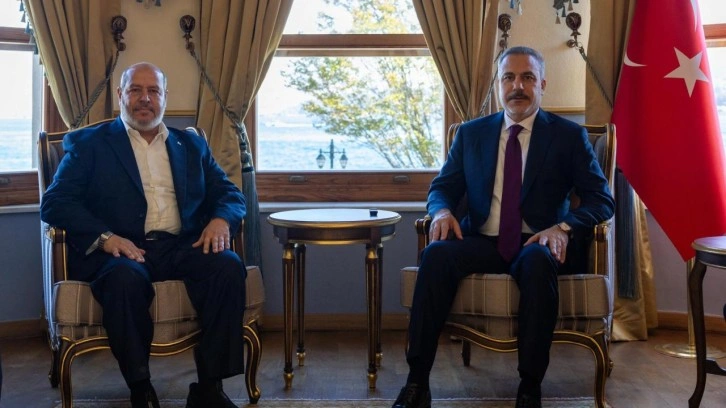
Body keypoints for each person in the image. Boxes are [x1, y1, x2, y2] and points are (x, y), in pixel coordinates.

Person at [392, 46, 615, 408]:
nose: (517, 86)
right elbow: (442, 187)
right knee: (435, 255)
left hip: (537, 242)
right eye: (509, 77)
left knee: (538, 263)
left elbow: (601, 199)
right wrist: (442, 211)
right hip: (482, 239)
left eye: (527, 77)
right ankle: (417, 382)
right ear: (498, 85)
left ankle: (529, 388)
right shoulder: (471, 134)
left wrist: (562, 227)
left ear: (542, 84)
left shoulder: (567, 136)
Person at [40, 62, 247, 408]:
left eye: (153, 91)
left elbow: (229, 194)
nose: (145, 98)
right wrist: (106, 238)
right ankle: (140, 388)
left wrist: (221, 220)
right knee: (123, 281)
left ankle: (209, 388)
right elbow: (55, 202)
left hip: (183, 245)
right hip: (123, 250)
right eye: (135, 90)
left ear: (165, 97)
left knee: (227, 266)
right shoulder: (90, 144)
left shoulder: (191, 145)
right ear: (120, 95)